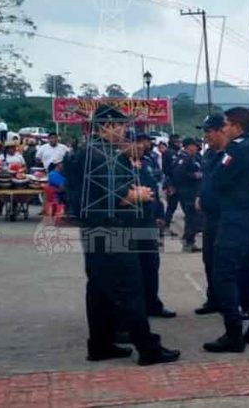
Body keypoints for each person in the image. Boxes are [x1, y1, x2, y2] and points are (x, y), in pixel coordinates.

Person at [64, 105, 179, 366]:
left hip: (93, 228)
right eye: (121, 126)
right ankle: (148, 348)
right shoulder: (103, 155)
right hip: (112, 228)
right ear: (107, 126)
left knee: (99, 290)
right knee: (130, 288)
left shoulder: (83, 152)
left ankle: (100, 344)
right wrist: (138, 195)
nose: (124, 132)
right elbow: (114, 196)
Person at [203, 107, 249, 353]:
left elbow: (217, 181)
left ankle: (233, 334)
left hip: (236, 221)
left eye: (227, 125)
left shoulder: (238, 149)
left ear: (236, 126)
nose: (225, 129)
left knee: (224, 275)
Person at [127, 134, 175, 320]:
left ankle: (152, 303)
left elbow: (154, 189)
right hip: (131, 222)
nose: (140, 146)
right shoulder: (120, 166)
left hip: (148, 220)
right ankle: (135, 309)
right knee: (133, 269)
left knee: (150, 265)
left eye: (142, 143)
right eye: (136, 143)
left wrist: (160, 215)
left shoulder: (147, 162)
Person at [195, 115, 226, 315]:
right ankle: (213, 298)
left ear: (220, 130)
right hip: (210, 217)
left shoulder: (231, 155)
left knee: (226, 263)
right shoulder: (208, 155)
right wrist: (200, 196)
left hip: (226, 216)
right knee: (210, 259)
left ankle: (231, 302)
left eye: (208, 131)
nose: (205, 136)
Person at [172, 138, 203, 253]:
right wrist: (195, 176)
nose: (196, 148)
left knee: (193, 217)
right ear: (188, 146)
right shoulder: (184, 158)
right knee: (192, 217)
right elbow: (179, 174)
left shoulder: (192, 157)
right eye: (194, 146)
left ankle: (189, 241)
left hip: (192, 191)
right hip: (188, 191)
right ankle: (188, 242)